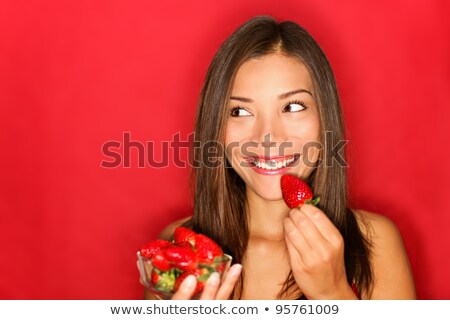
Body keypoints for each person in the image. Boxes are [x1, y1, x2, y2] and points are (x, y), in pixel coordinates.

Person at [144, 15, 416, 300]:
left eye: (293, 106)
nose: (268, 136)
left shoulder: (376, 242)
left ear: (325, 118)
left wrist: (333, 292)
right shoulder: (177, 249)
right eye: (239, 111)